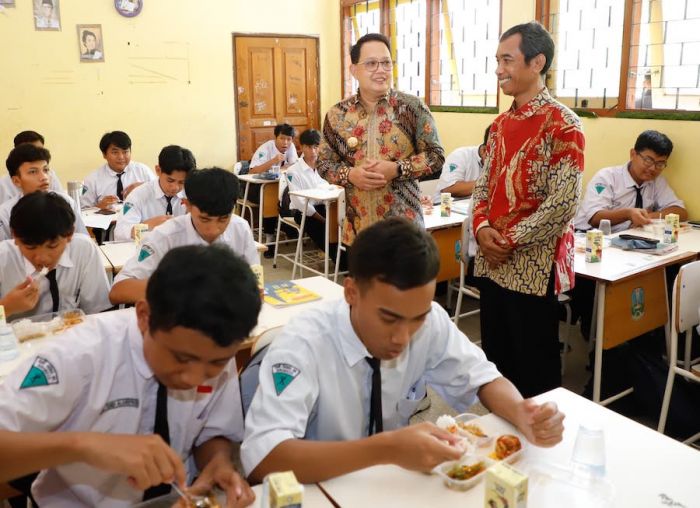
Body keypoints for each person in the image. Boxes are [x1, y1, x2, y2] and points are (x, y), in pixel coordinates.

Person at [241, 218, 565, 483]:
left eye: (417, 319)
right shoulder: (304, 343)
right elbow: (263, 458)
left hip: (390, 485)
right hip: (320, 487)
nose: (403, 337)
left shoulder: (430, 321)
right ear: (351, 292)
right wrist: (386, 449)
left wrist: (522, 411)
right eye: (389, 318)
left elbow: (481, 378)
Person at [0, 245, 259, 507]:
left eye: (216, 364)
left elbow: (214, 430)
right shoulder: (79, 355)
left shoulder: (210, 348)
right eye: (182, 359)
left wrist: (218, 462)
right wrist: (82, 446)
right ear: (144, 316)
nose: (194, 378)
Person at [472, 21, 584, 398]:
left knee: (534, 367)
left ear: (537, 62)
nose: (499, 69)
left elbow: (563, 204)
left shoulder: (564, 124)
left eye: (507, 60)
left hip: (531, 266)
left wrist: (507, 240)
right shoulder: (500, 124)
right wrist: (482, 229)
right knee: (496, 361)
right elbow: (482, 186)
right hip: (491, 260)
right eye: (497, 60)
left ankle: (541, 446)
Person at [317, 33, 444, 248]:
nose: (380, 70)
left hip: (406, 233)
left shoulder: (411, 108)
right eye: (371, 63)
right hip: (359, 233)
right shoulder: (337, 115)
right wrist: (350, 175)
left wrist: (397, 169)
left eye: (386, 63)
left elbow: (436, 156)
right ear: (354, 70)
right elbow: (323, 163)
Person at [110, 168, 259, 305]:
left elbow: (255, 282)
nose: (213, 230)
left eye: (223, 219)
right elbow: (118, 290)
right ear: (186, 205)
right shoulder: (165, 236)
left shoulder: (241, 228)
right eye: (204, 219)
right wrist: (179, 289)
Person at [0, 192, 110, 320]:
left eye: (52, 246)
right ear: (14, 237)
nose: (42, 258)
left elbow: (100, 312)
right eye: (30, 247)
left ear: (70, 234)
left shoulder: (83, 250)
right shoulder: (3, 257)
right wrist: (7, 307)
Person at [574, 130, 686, 233]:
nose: (653, 168)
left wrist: (647, 217)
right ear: (633, 154)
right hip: (588, 237)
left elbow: (680, 212)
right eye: (648, 160)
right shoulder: (606, 177)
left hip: (627, 239)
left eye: (660, 164)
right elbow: (595, 218)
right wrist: (628, 214)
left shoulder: (656, 181)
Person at [0, 144, 87, 241]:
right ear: (16, 181)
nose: (44, 177)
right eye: (33, 172)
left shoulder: (66, 202)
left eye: (46, 170)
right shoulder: (5, 213)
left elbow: (82, 240)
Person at [81, 131, 155, 243]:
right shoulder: (92, 179)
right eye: (115, 152)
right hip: (108, 230)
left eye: (125, 152)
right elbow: (82, 211)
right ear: (104, 154)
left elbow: (160, 192)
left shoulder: (142, 171)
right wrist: (98, 206)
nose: (121, 157)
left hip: (141, 224)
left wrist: (144, 186)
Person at [114, 145, 195, 241]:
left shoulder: (191, 193)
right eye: (170, 180)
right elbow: (120, 234)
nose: (175, 187)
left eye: (182, 182)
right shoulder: (137, 195)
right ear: (158, 170)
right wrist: (146, 226)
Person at [284, 128, 339, 260]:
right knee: (323, 230)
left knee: (342, 228)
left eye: (316, 147)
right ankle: (341, 261)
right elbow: (300, 203)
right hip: (305, 212)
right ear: (302, 147)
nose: (313, 151)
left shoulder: (327, 167)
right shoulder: (293, 171)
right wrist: (324, 219)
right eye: (309, 147)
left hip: (327, 207)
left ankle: (347, 258)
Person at [247, 124, 299, 245]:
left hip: (279, 186)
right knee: (272, 198)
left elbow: (294, 166)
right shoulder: (265, 149)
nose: (285, 142)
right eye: (282, 138)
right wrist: (273, 161)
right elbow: (252, 171)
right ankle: (269, 238)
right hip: (256, 188)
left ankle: (289, 229)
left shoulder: (291, 148)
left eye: (289, 139)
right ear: (275, 137)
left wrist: (286, 166)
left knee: (288, 197)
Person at [0, 130, 63, 205]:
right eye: (32, 172)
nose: (36, 155)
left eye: (40, 150)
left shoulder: (50, 175)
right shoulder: (4, 184)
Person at [432, 125, 491, 204]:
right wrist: (488, 183)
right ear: (484, 150)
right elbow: (448, 189)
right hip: (445, 208)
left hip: (475, 207)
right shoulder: (460, 155)